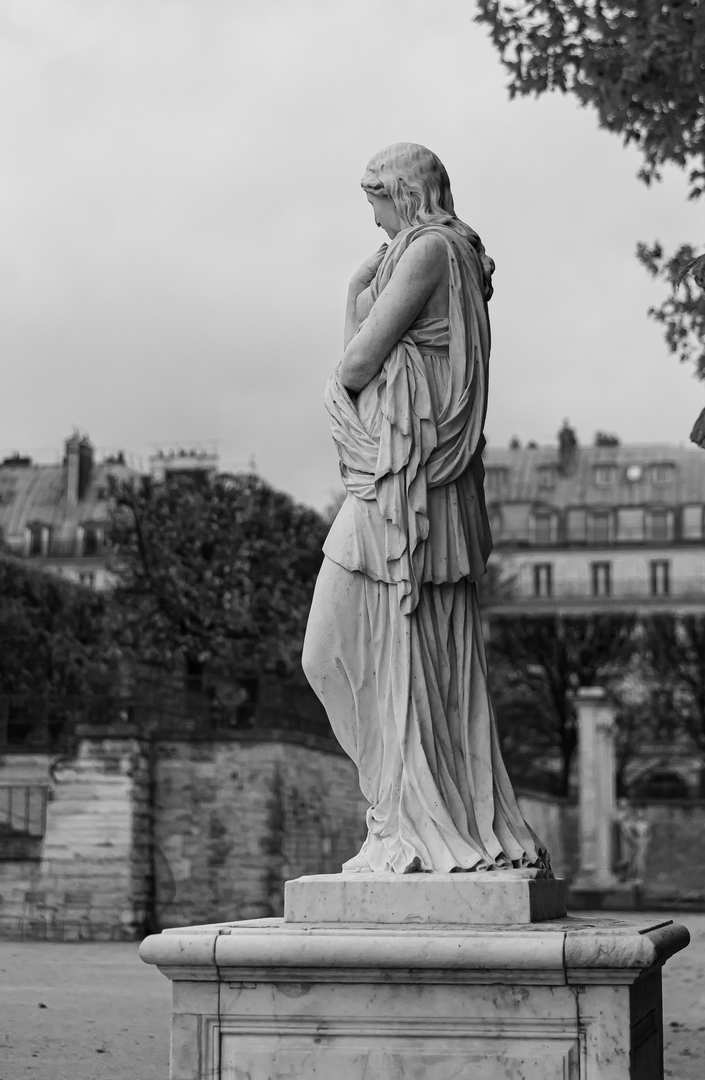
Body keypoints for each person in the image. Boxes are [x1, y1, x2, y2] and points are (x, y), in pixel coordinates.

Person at [302, 143, 546, 875]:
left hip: (405, 478)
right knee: (382, 652)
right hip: (411, 475)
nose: (372, 220)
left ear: (403, 195)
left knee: (332, 651)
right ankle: (400, 811)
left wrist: (353, 295)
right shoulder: (448, 253)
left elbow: (355, 364)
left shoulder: (430, 250)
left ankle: (409, 820)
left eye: (375, 201)